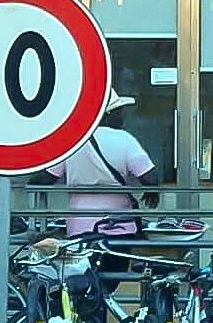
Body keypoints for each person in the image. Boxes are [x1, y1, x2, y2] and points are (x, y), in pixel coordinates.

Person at [43, 90, 160, 238]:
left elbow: (44, 179)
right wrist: (152, 192)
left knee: (84, 260)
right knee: (118, 261)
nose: (122, 117)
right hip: (119, 226)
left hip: (80, 225)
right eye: (118, 111)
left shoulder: (73, 141)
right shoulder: (124, 139)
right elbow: (150, 178)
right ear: (107, 114)